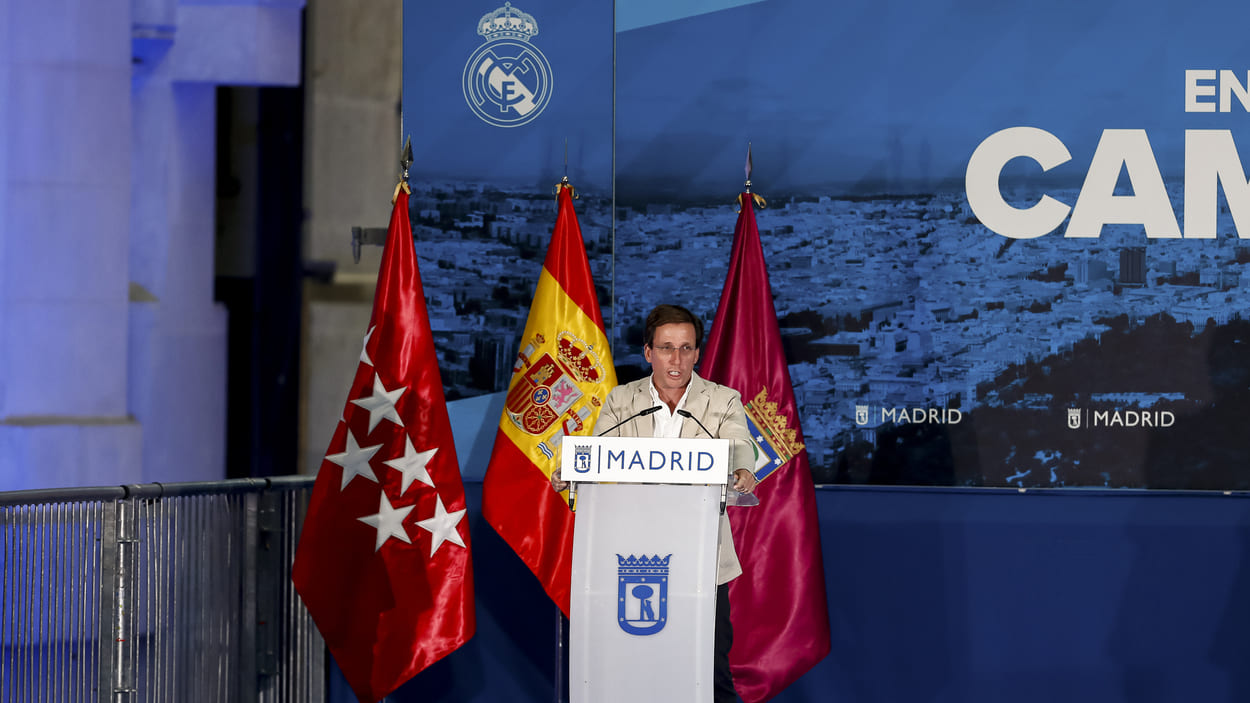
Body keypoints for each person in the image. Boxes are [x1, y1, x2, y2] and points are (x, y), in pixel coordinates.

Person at [552, 303, 757, 703]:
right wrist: (573, 471)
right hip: (631, 558)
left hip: (702, 562)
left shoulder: (722, 400)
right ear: (648, 353)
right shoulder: (622, 401)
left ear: (698, 353)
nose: (676, 359)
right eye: (666, 348)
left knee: (711, 671)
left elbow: (738, 444)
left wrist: (742, 470)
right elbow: (596, 454)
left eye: (685, 348)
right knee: (632, 667)